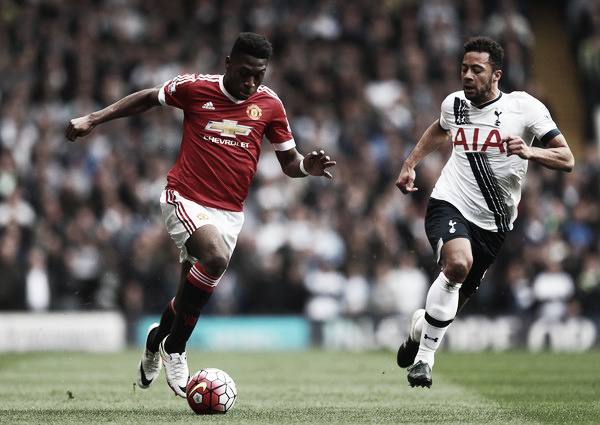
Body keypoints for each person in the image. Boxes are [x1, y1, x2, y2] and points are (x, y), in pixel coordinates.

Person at [65, 32, 336, 398]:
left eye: (259, 74)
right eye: (244, 72)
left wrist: (308, 168)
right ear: (227, 63)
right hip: (184, 197)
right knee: (215, 259)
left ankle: (156, 339)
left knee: (186, 298)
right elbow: (148, 97)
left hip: (229, 214)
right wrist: (93, 119)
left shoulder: (270, 104)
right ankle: (175, 348)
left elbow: (289, 162)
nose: (251, 82)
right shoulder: (195, 88)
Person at [394, 36, 574, 388]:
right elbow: (440, 129)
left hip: (494, 223)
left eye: (477, 70)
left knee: (447, 307)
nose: (467, 76)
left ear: (496, 75)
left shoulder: (524, 108)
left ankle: (419, 329)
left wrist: (530, 153)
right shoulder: (455, 104)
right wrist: (410, 163)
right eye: (464, 69)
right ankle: (424, 362)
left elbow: (567, 158)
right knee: (458, 265)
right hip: (450, 201)